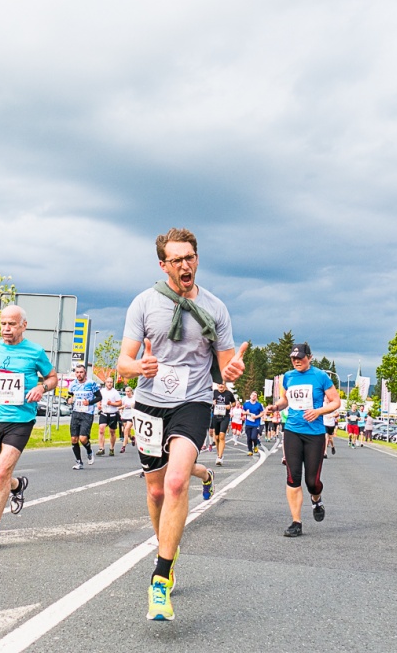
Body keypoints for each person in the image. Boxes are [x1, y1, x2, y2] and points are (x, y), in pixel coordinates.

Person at [117, 227, 246, 622]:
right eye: (177, 259)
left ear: (196, 259)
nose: (185, 265)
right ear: (163, 265)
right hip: (151, 402)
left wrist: (233, 370)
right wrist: (139, 366)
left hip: (193, 400)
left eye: (190, 257)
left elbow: (225, 366)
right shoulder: (143, 303)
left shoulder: (216, 308)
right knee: (156, 492)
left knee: (176, 482)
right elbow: (123, 363)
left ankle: (159, 576)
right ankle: (168, 552)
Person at [0, 305, 58, 552]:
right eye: (3, 324)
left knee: (0, 474)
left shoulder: (35, 352)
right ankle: (18, 486)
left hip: (21, 420)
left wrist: (42, 388)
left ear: (23, 325)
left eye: (11, 324)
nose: (6, 329)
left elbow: (53, 378)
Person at [270, 343, 341, 538]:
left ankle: (316, 500)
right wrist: (276, 407)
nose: (296, 361)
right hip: (292, 430)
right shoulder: (288, 377)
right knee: (293, 477)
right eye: (293, 358)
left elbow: (336, 401)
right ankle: (296, 522)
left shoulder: (321, 376)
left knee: (312, 481)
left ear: (309, 357)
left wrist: (318, 411)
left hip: (315, 434)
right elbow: (285, 400)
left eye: (300, 358)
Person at [67, 364, 100, 469]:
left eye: (81, 372)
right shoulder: (72, 384)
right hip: (76, 412)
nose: (79, 374)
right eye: (77, 372)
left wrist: (89, 402)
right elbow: (69, 395)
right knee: (74, 439)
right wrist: (69, 399)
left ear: (85, 373)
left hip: (87, 413)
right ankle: (79, 462)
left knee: (83, 438)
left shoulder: (91, 383)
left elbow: (99, 397)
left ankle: (89, 451)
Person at [211, 382, 235, 466]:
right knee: (216, 437)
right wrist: (212, 402)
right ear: (217, 385)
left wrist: (230, 406)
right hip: (216, 416)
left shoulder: (229, 393)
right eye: (219, 384)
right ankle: (219, 454)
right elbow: (208, 401)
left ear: (224, 385)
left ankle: (220, 457)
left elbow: (234, 402)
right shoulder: (214, 392)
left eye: (222, 384)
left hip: (225, 417)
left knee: (222, 436)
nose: (221, 386)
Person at [97, 378, 122, 456]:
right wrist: (98, 405)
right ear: (105, 383)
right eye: (108, 382)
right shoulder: (102, 391)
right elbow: (98, 399)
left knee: (112, 432)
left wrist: (111, 403)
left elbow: (120, 403)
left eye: (111, 382)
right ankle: (101, 448)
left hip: (112, 414)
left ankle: (111, 448)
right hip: (104, 413)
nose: (109, 384)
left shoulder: (115, 392)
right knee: (101, 429)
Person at [243, 391, 264, 455]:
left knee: (254, 437)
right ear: (250, 396)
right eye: (252, 395)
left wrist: (256, 417)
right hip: (248, 423)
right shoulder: (246, 404)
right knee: (249, 437)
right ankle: (250, 450)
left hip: (256, 424)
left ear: (256, 397)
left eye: (255, 395)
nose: (253, 396)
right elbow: (243, 411)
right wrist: (246, 413)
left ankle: (255, 445)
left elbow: (262, 413)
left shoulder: (258, 405)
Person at [119, 385, 136, 452]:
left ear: (131, 391)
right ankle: (132, 438)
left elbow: (133, 405)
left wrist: (130, 406)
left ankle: (123, 447)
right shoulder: (124, 398)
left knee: (126, 430)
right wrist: (121, 409)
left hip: (131, 416)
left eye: (128, 391)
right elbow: (120, 406)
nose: (127, 393)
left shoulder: (134, 398)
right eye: (126, 391)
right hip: (125, 416)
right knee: (125, 431)